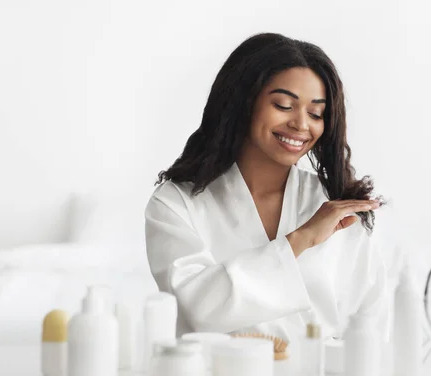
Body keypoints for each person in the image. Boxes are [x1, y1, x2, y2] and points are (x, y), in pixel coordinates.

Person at [145, 32, 388, 343]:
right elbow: (198, 309)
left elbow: (370, 321)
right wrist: (301, 239)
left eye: (316, 113)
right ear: (243, 103)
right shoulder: (176, 203)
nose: (301, 124)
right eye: (284, 105)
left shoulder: (336, 205)